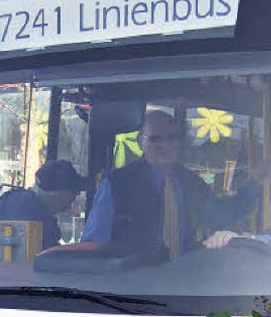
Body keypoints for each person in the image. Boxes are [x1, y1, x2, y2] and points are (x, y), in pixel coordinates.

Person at [81, 110, 216, 258]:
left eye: (171, 137)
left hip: (187, 277)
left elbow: (216, 225)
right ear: (140, 142)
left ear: (179, 142)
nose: (164, 145)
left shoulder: (195, 185)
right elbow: (92, 246)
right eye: (155, 139)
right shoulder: (116, 185)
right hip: (133, 279)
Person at [0, 160, 85, 261]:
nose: (73, 200)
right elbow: (17, 264)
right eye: (74, 193)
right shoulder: (22, 213)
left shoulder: (19, 202)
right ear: (58, 194)